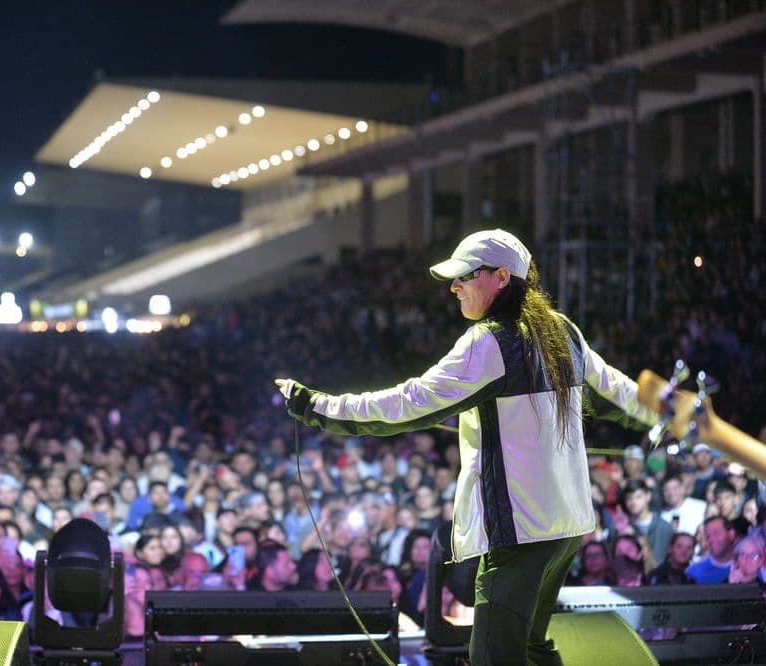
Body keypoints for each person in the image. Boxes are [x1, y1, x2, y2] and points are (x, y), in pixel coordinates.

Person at [277, 229, 658, 665]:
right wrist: (677, 416)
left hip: (521, 532)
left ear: (501, 277)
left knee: (494, 656)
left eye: (465, 276)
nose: (454, 286)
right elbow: (621, 395)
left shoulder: (490, 341)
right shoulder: (562, 330)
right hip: (565, 528)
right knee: (531, 649)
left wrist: (318, 407)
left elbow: (408, 402)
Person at [686, 516, 736, 584]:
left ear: (731, 534)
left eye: (716, 533)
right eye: (708, 536)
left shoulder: (746, 564)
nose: (711, 539)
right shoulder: (694, 573)